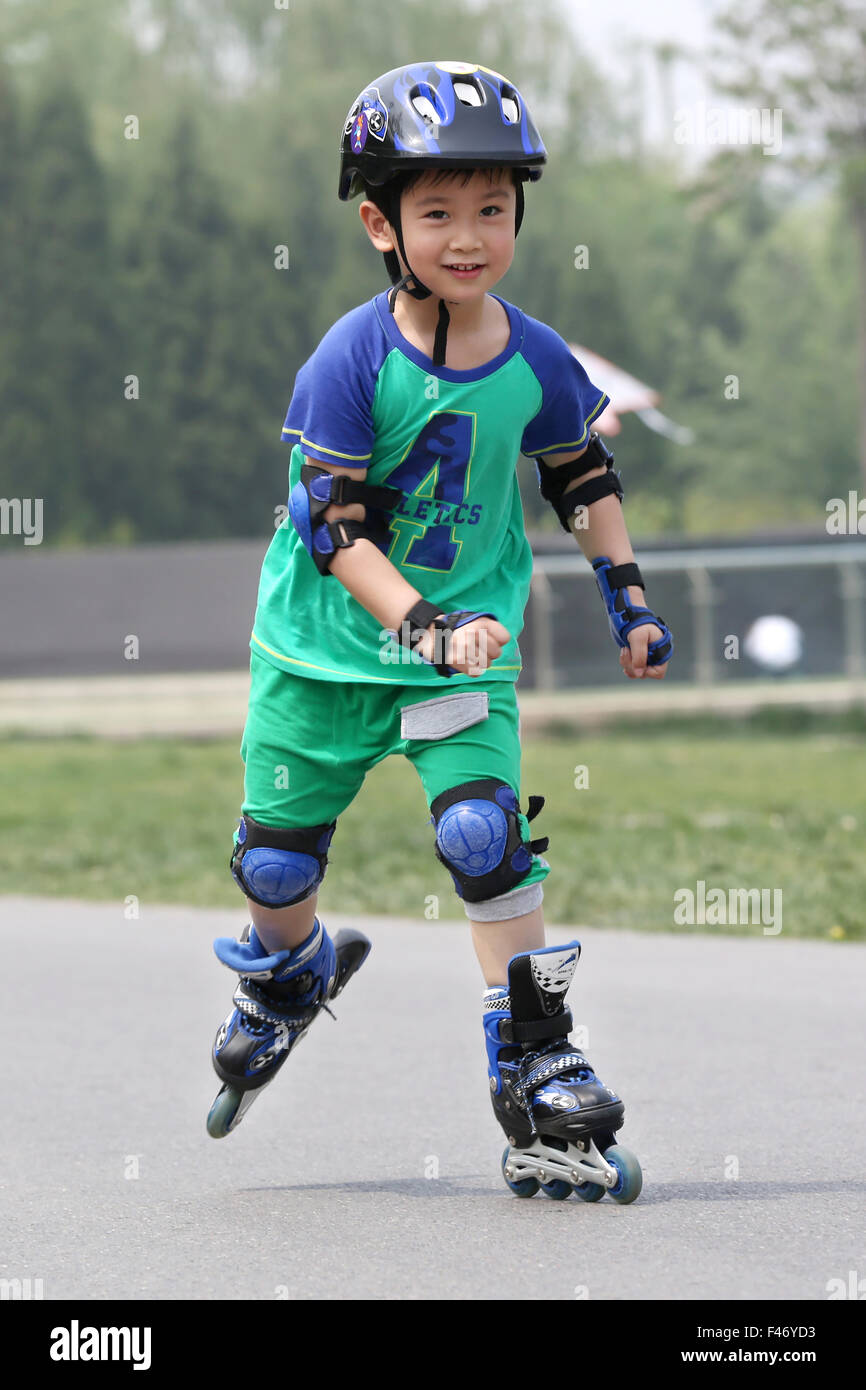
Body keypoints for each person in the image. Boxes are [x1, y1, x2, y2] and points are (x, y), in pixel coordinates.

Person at [206, 60, 671, 1201]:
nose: (468, 237)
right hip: (324, 654)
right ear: (380, 222)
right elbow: (334, 530)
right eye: (436, 213)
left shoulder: (535, 357)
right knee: (272, 861)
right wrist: (421, 623)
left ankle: (536, 1059)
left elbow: (580, 471)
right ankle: (287, 972)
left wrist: (627, 594)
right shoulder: (348, 360)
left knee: (480, 835)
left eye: (492, 210)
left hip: (460, 658)